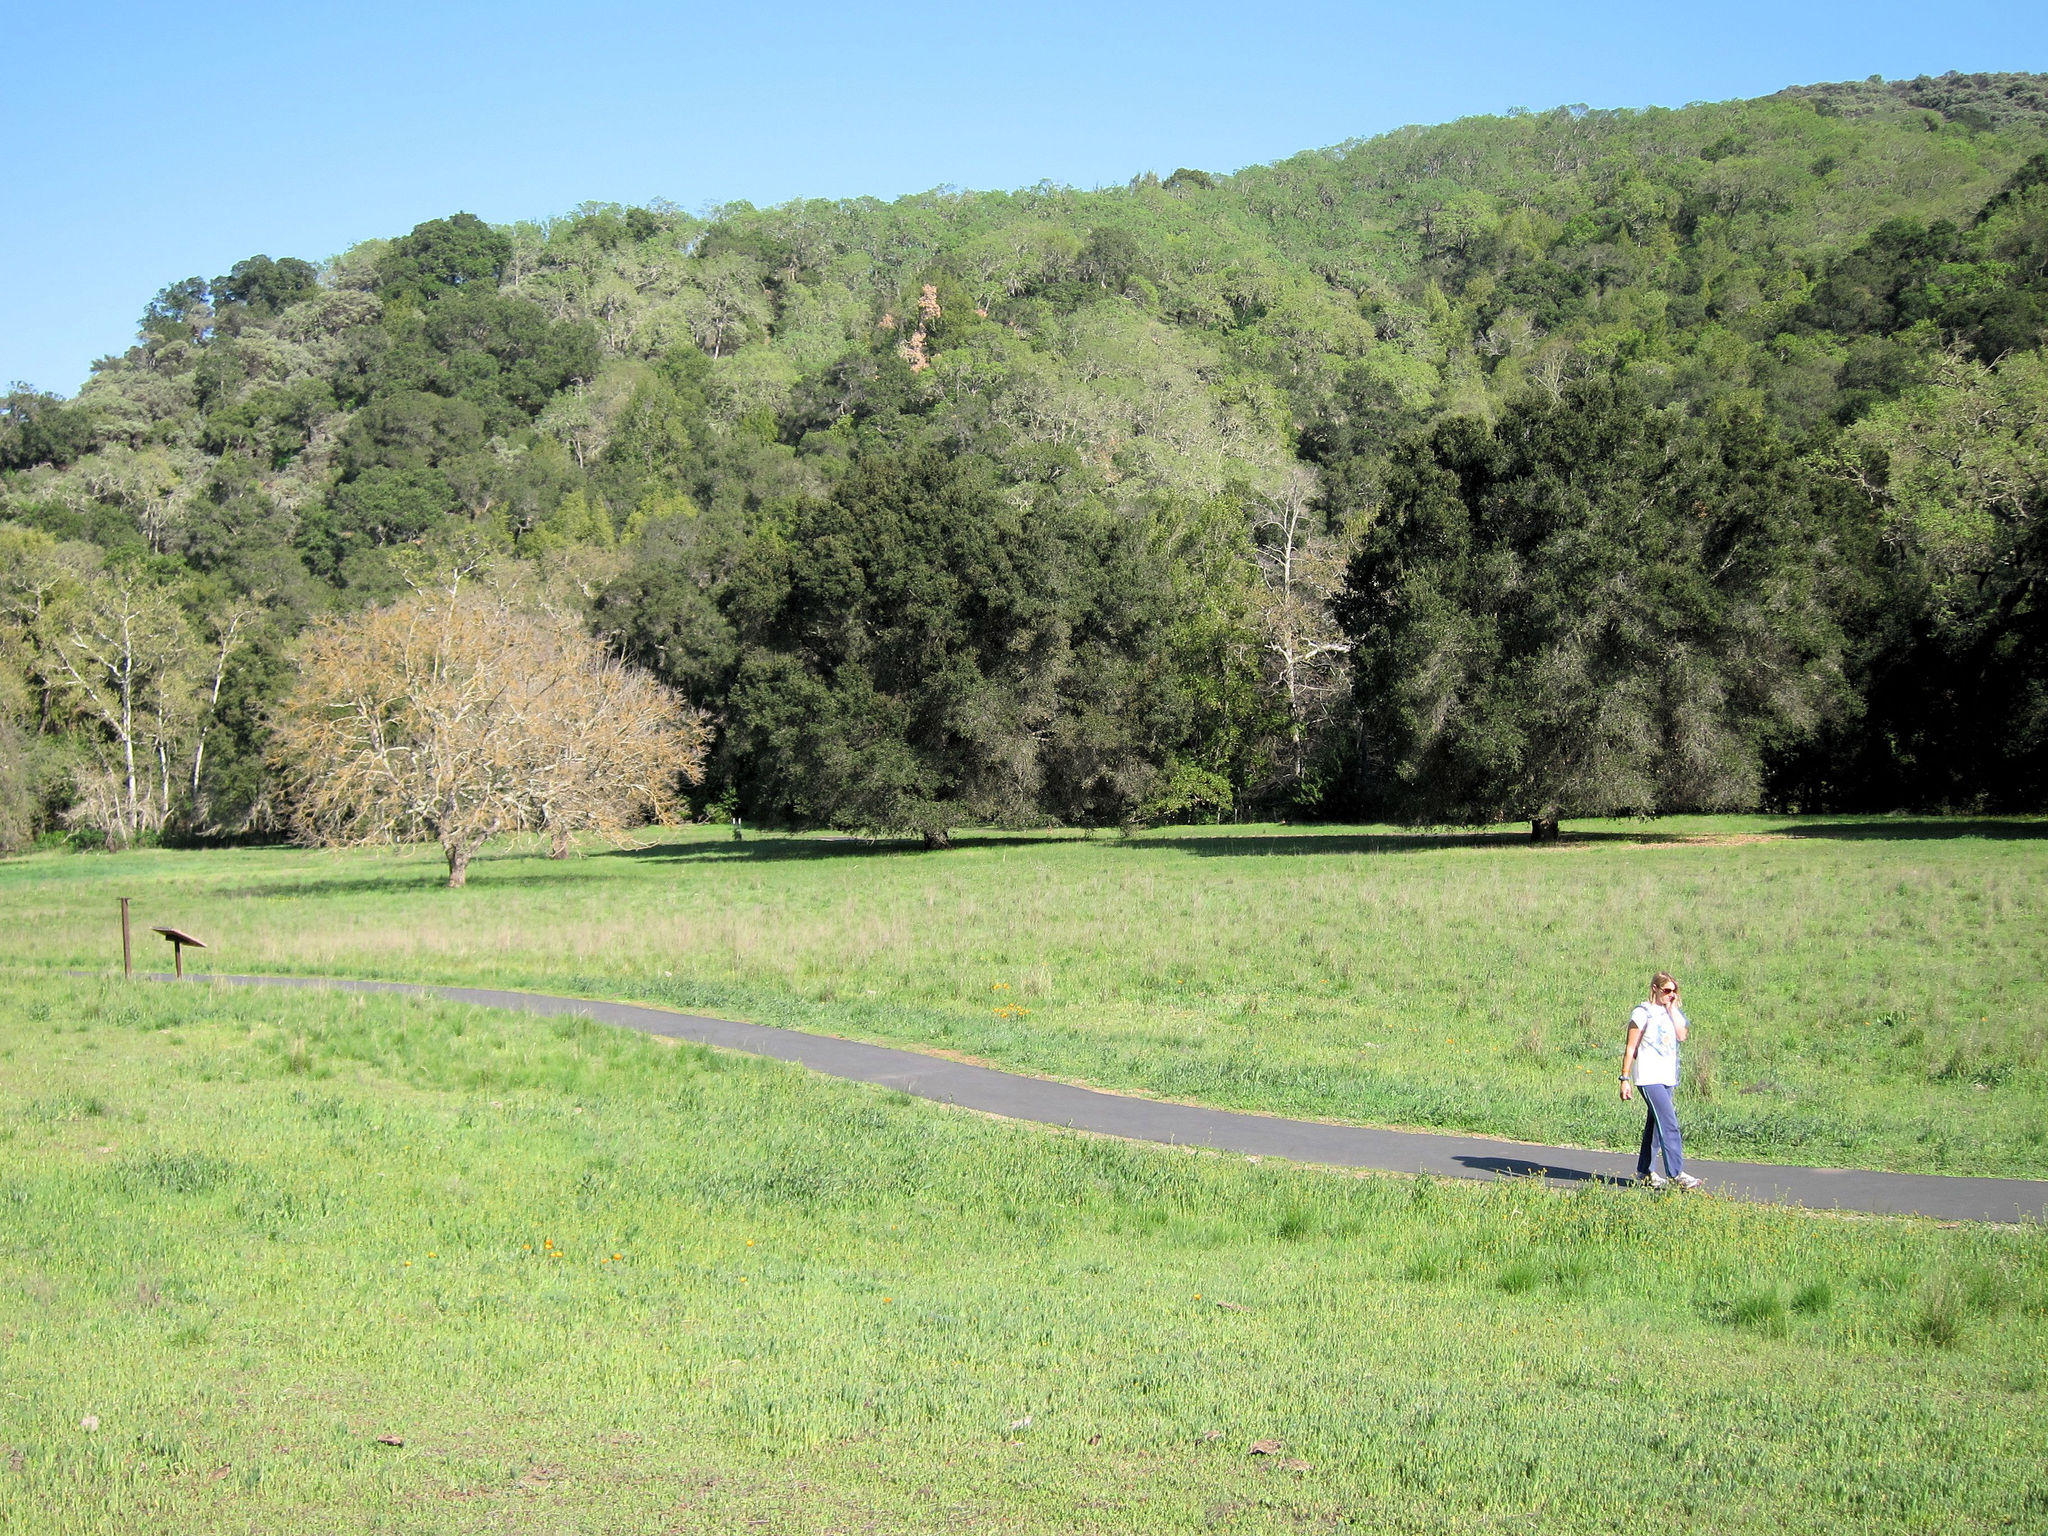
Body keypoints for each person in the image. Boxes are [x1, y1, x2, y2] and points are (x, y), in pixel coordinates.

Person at [1620, 972, 1701, 1189]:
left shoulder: (1671, 1012)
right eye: (1667, 991)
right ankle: (1677, 1174)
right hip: (1648, 1077)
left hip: (1667, 1077)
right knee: (1669, 1123)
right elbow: (1630, 1048)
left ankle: (1645, 1172)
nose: (1671, 995)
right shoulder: (1642, 1012)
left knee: (1655, 1124)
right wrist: (1624, 1078)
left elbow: (1682, 1035)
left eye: (1674, 991)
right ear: (1655, 988)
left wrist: (1672, 1008)